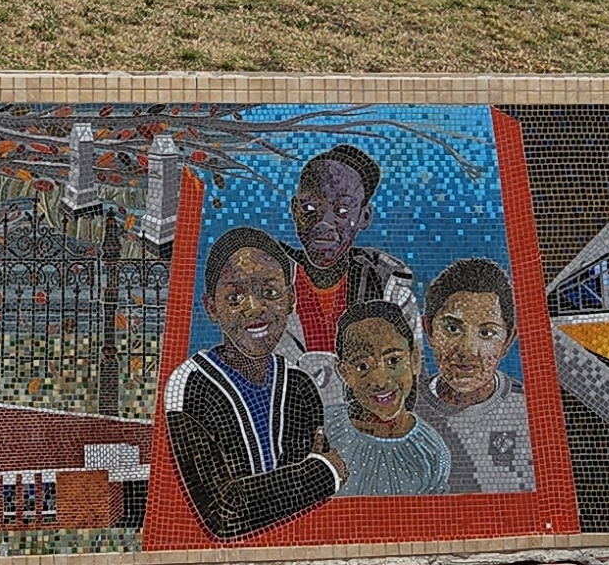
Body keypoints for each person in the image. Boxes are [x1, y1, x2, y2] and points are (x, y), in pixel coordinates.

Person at [164, 228, 342, 540]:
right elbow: (224, 512)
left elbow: (297, 497)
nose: (254, 308)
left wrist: (288, 485)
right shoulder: (188, 385)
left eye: (270, 293)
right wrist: (323, 474)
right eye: (234, 297)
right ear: (212, 308)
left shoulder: (299, 386)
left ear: (290, 300)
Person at [277, 145, 416, 377]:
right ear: (294, 209)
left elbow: (410, 376)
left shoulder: (388, 288)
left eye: (342, 211)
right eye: (309, 207)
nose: (323, 222)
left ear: (364, 217)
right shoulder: (269, 279)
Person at [417, 257, 535, 493]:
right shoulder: (406, 410)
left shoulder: (529, 412)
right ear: (429, 330)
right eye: (452, 328)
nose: (467, 349)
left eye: (486, 332)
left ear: (507, 341)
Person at [325, 298, 457, 497]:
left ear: (414, 361)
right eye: (362, 366)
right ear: (344, 373)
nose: (380, 380)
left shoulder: (431, 453)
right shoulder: (324, 428)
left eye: (393, 360)